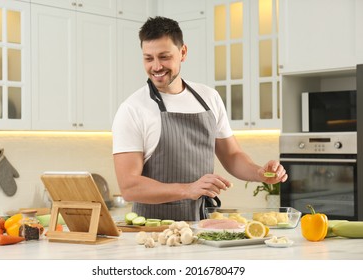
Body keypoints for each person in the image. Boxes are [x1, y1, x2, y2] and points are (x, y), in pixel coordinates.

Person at [112, 16, 287, 221]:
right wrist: (188, 189)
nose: (156, 66)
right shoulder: (133, 109)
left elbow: (232, 156)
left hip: (202, 225)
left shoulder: (208, 97)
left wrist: (260, 173)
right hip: (155, 231)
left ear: (183, 52)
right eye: (148, 58)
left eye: (164, 56)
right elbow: (130, 187)